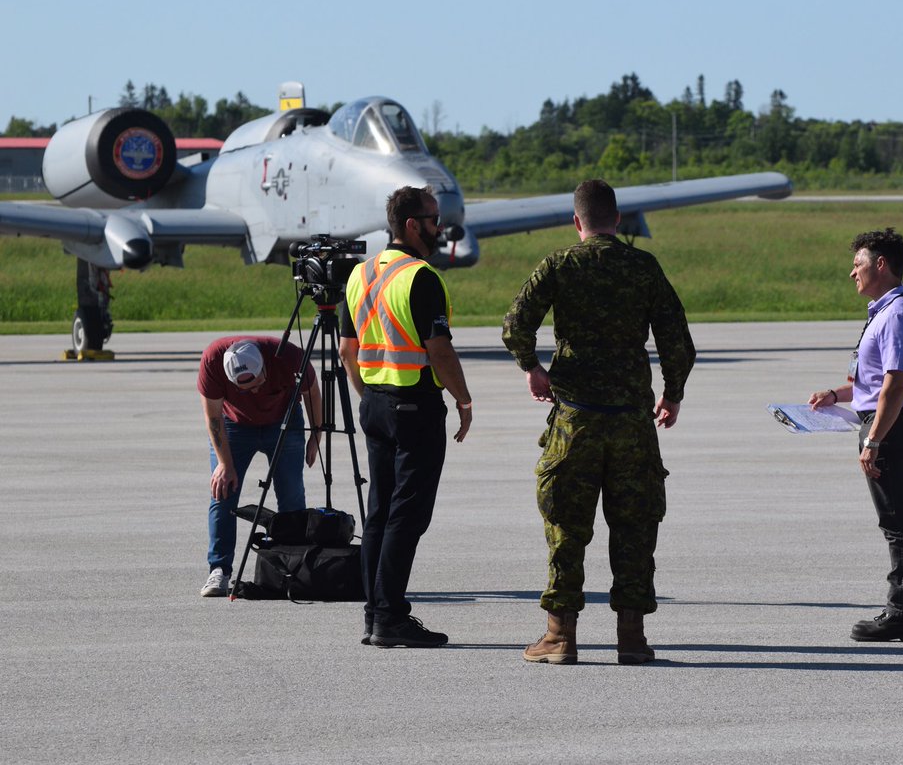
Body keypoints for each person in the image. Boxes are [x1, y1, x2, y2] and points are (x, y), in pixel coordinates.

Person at [502, 178, 696, 665]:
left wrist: (532, 367)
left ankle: (560, 636)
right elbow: (677, 340)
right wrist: (672, 394)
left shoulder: (559, 264)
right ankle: (632, 637)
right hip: (632, 422)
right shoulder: (643, 266)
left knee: (566, 529)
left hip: (575, 420)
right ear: (618, 219)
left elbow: (516, 324)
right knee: (635, 530)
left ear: (577, 221)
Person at [339, 185, 473, 649]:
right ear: (412, 225)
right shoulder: (420, 277)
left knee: (379, 511)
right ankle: (390, 616)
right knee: (408, 515)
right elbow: (440, 351)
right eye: (434, 220)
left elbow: (347, 350)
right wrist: (463, 400)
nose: (440, 228)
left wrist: (369, 395)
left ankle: (374, 614)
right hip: (414, 404)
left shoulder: (359, 274)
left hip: (376, 403)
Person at [808, 227, 903, 642]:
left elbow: (896, 385)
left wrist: (873, 440)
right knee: (896, 521)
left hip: (892, 426)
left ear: (880, 265)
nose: (852, 272)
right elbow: (874, 382)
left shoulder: (896, 316)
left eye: (857, 263)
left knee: (897, 523)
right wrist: (834, 394)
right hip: (890, 422)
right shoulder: (884, 312)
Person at [198, 337, 322, 597]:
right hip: (233, 425)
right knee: (222, 492)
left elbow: (311, 392)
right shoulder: (212, 360)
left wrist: (315, 435)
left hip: (284, 422)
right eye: (244, 389)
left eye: (257, 384)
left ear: (265, 366)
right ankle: (219, 569)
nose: (254, 392)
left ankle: (294, 566)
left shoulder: (289, 356)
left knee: (291, 494)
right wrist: (224, 463)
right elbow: (213, 416)